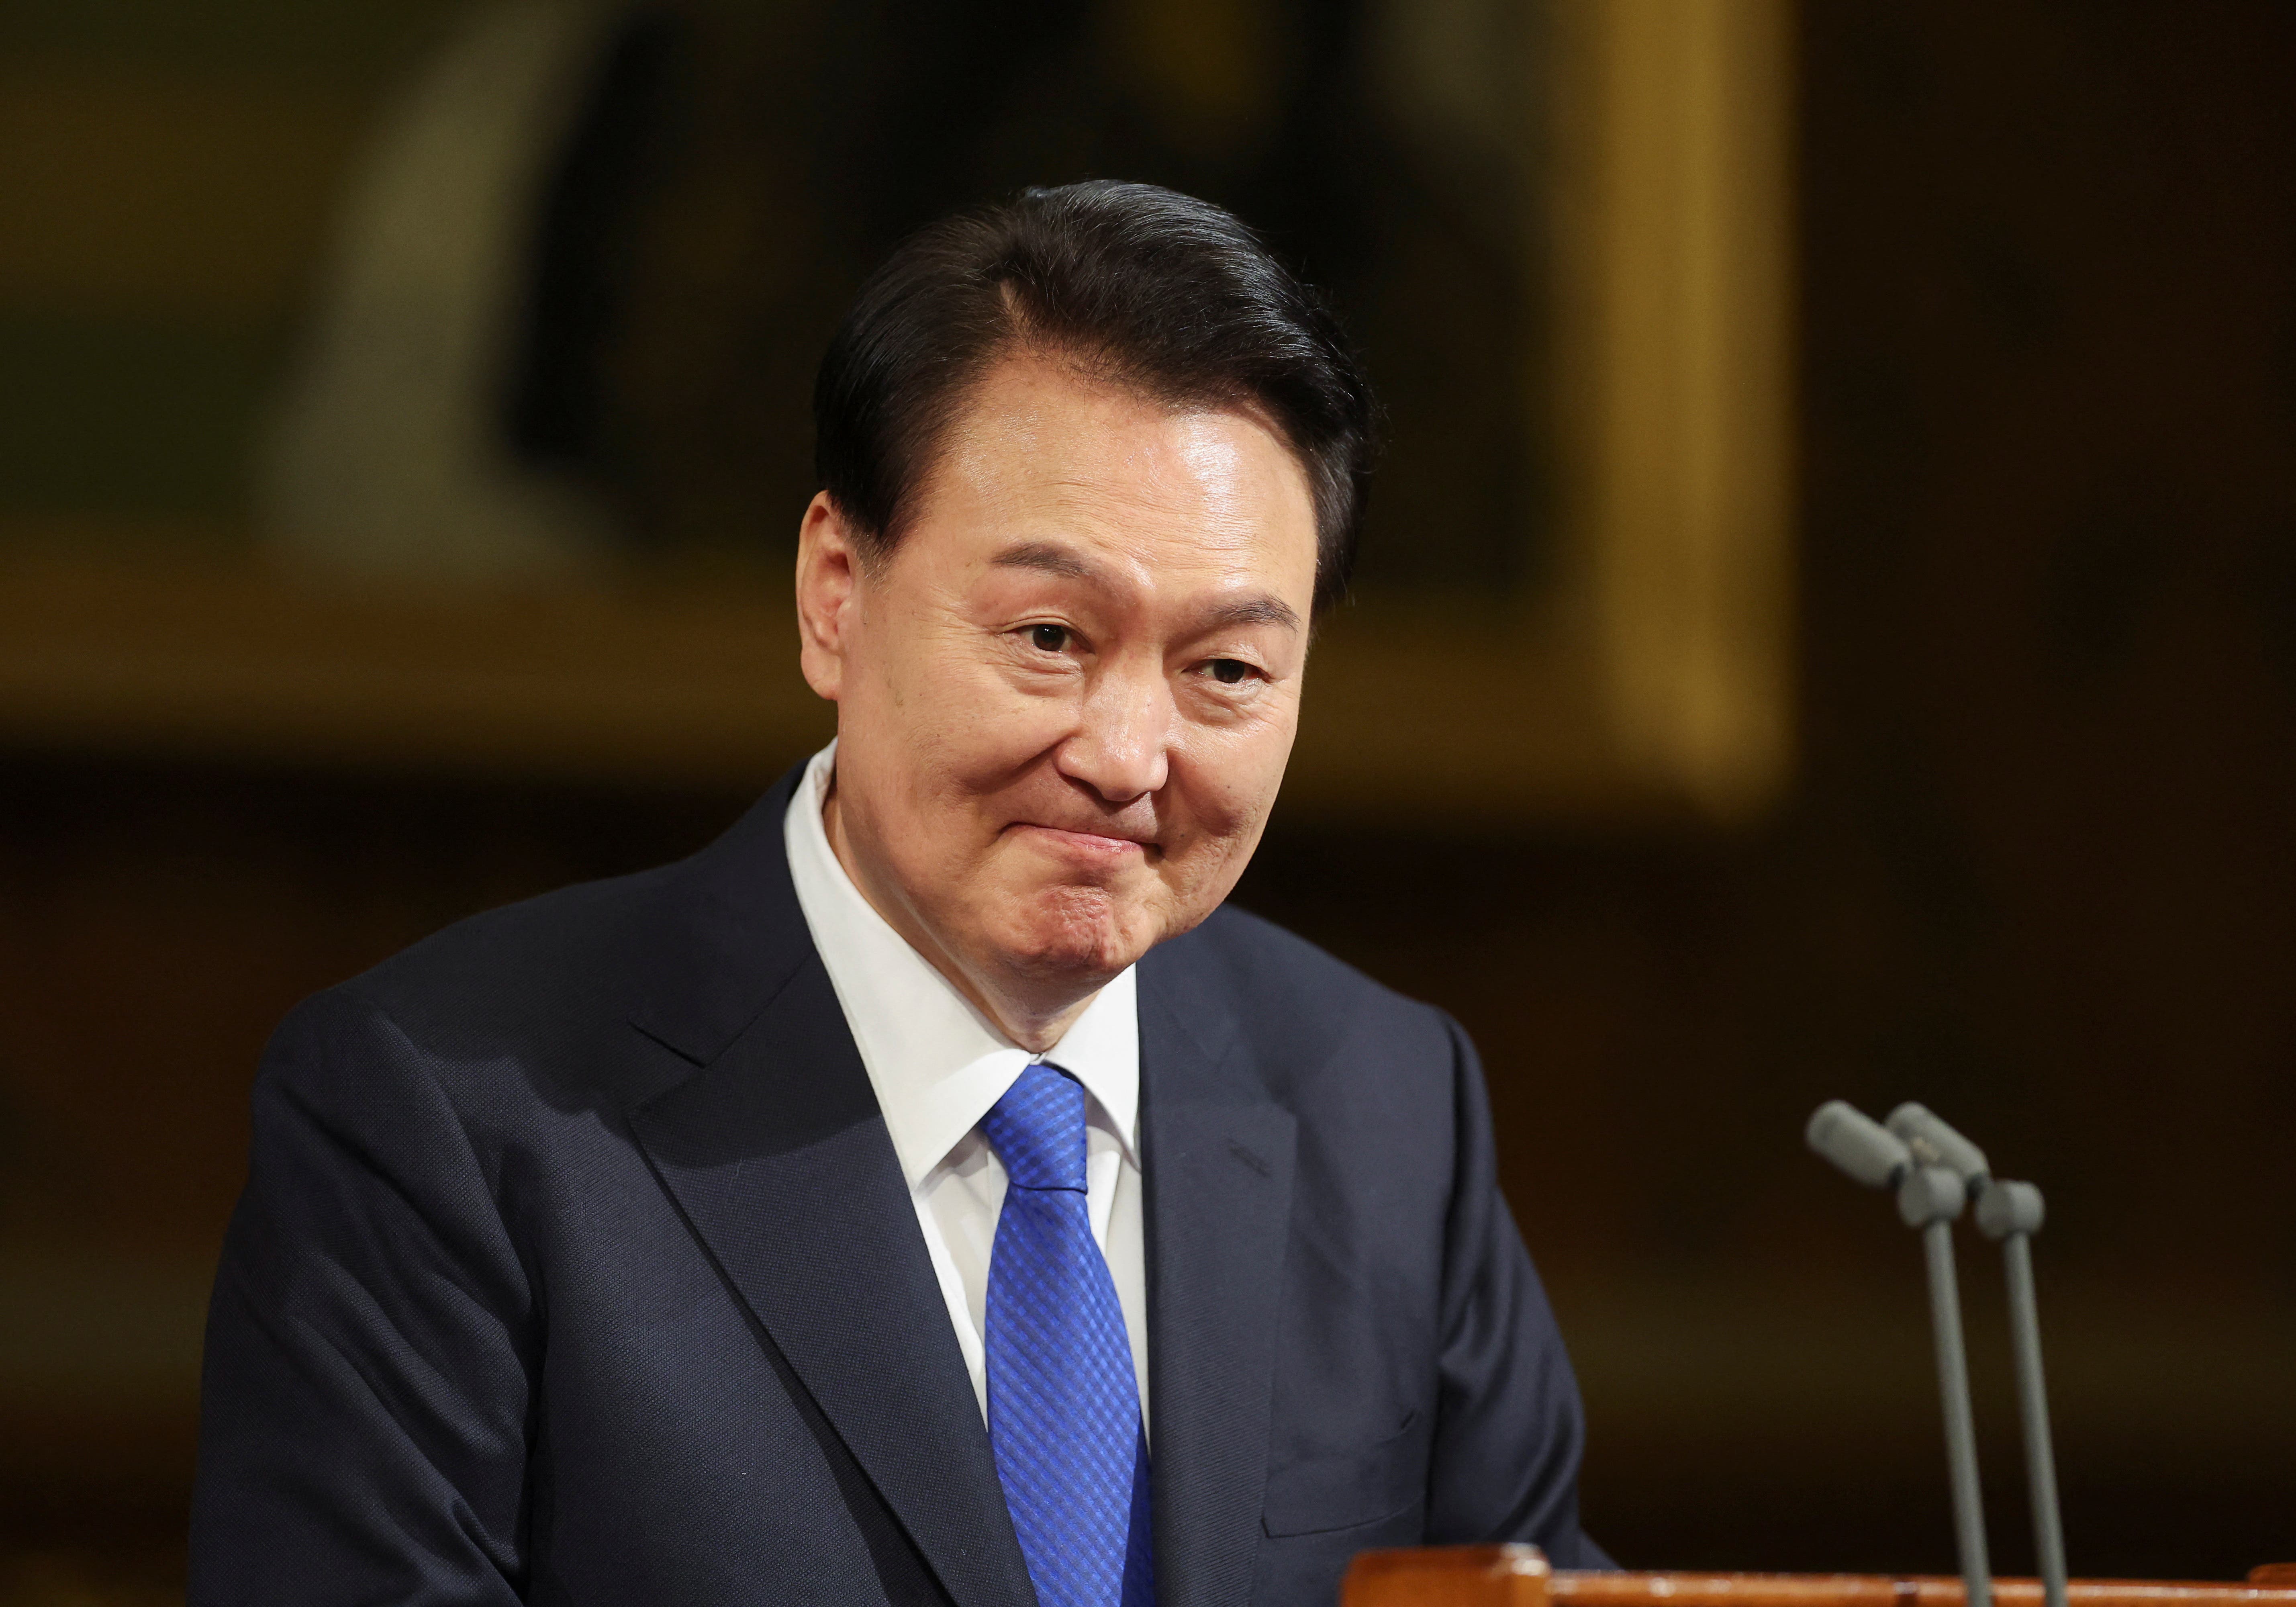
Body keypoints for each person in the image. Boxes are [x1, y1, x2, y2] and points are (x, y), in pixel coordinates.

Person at [191, 180, 1604, 1607]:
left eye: (1225, 670)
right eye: (1050, 637)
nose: (1126, 759)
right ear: (834, 594)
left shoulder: (1384, 1103)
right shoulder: (454, 1118)